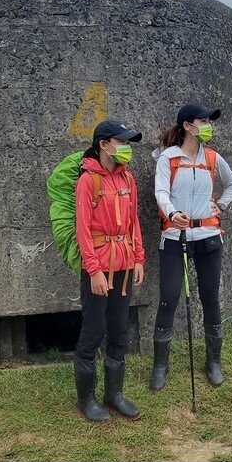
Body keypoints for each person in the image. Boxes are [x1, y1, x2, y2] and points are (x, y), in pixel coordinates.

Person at [150, 102, 232, 390]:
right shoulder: (168, 158)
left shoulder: (212, 158)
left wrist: (221, 205)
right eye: (203, 121)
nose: (208, 126)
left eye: (208, 121)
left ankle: (213, 361)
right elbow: (161, 192)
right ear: (188, 126)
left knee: (210, 297)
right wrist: (172, 214)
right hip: (175, 238)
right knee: (169, 299)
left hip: (209, 238)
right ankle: (160, 366)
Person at [73, 119, 146, 422]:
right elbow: (83, 230)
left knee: (119, 330)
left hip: (125, 266)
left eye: (128, 143)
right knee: (94, 331)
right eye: (122, 142)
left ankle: (113, 394)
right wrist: (94, 270)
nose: (127, 148)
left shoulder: (128, 180)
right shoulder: (88, 181)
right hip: (99, 268)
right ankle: (86, 400)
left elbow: (134, 222)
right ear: (104, 144)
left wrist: (139, 257)